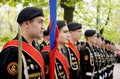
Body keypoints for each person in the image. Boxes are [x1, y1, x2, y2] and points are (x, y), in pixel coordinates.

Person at [0, 7, 45, 79]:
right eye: (40, 22)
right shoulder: (12, 51)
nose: (43, 27)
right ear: (27, 23)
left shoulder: (35, 48)